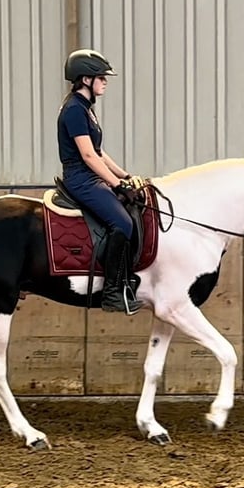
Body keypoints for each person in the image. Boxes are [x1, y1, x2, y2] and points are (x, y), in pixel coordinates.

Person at [56, 49, 143, 314]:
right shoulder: (73, 110)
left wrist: (125, 176)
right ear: (85, 79)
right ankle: (112, 292)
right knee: (122, 223)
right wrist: (117, 186)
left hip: (91, 174)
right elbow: (87, 155)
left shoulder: (85, 108)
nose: (105, 81)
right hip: (81, 178)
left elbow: (99, 152)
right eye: (101, 77)